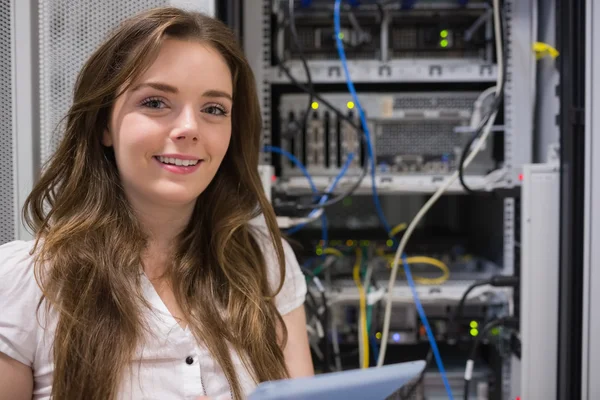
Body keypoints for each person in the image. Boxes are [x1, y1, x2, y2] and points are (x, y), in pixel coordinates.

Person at [0, 7, 313, 400]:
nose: (189, 128)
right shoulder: (24, 283)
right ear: (103, 125)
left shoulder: (264, 262)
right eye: (155, 103)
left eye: (214, 109)